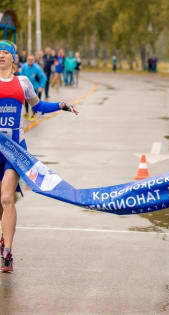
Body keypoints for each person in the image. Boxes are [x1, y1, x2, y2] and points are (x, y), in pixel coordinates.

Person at [0, 40, 78, 273]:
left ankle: (7, 253)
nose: (1, 56)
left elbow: (38, 106)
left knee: (6, 198)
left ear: (14, 58)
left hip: (14, 151)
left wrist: (60, 105)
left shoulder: (22, 82)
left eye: (5, 52)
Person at [20, 54, 47, 121]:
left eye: (32, 60)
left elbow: (43, 77)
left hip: (35, 87)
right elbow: (20, 75)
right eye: (29, 59)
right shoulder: (24, 66)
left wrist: (41, 86)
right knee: (26, 100)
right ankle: (26, 112)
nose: (30, 61)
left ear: (34, 60)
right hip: (26, 86)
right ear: (27, 60)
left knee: (33, 102)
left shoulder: (37, 67)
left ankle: (33, 114)